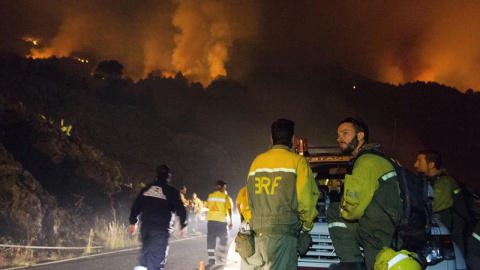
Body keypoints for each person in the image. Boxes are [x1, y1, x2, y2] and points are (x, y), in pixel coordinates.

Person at [243, 118, 319, 270]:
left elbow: (247, 201)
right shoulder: (298, 162)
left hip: (255, 236)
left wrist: (257, 221)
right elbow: (306, 201)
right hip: (283, 236)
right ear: (292, 138)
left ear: (271, 138)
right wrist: (306, 226)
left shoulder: (257, 161)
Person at [327, 117, 402, 270]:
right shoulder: (379, 158)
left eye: (345, 133)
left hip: (378, 234)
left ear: (360, 136)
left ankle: (352, 263)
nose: (339, 138)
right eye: (338, 134)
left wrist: (339, 202)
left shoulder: (365, 162)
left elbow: (351, 211)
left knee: (334, 210)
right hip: (393, 228)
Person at [128, 164, 187, 270]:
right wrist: (183, 225)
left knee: (145, 259)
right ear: (168, 176)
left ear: (157, 175)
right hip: (161, 230)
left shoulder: (146, 189)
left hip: (146, 228)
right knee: (156, 261)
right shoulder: (171, 192)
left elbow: (136, 205)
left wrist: (133, 222)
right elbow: (181, 209)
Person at [414, 149, 467, 255]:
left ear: (432, 164)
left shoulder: (444, 182)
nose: (415, 165)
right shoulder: (430, 180)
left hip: (452, 238)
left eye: (419, 161)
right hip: (443, 234)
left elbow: (433, 206)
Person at [206, 180, 233, 268]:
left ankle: (211, 260)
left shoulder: (210, 196)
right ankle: (221, 257)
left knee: (211, 241)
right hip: (221, 222)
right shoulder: (225, 197)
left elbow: (208, 206)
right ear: (222, 188)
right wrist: (231, 221)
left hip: (211, 222)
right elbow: (229, 209)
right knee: (224, 239)